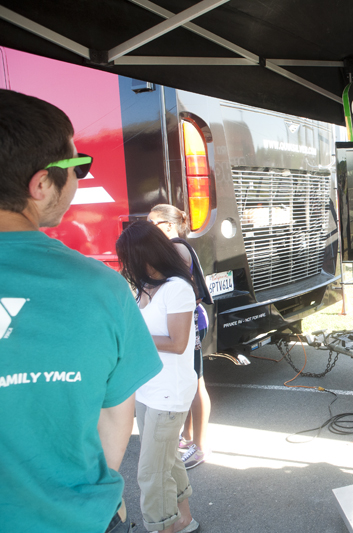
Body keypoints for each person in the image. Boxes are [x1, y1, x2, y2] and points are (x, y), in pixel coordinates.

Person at [0, 89, 162, 532]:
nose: (79, 178)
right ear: (40, 185)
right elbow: (114, 417)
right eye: (78, 167)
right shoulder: (100, 288)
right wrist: (103, 507)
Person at [116, 221, 200, 533]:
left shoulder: (177, 288)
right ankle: (184, 520)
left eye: (128, 257)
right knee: (167, 462)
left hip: (170, 393)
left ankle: (160, 527)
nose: (126, 264)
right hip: (147, 389)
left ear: (145, 254)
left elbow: (178, 344)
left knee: (150, 473)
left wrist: (133, 337)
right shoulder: (143, 288)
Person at [148, 204, 213, 470]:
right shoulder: (174, 247)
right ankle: (186, 438)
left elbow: (164, 280)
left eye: (153, 224)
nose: (148, 230)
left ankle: (199, 445)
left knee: (195, 381)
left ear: (169, 225)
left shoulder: (177, 247)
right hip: (186, 320)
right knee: (187, 381)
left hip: (192, 322)